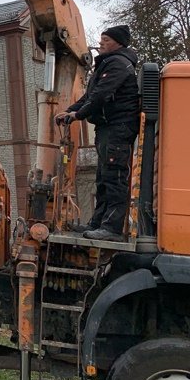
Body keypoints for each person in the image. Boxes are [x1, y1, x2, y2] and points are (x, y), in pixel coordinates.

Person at [55, 24, 140, 242]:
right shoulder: (107, 64)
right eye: (101, 38)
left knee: (114, 178)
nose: (101, 43)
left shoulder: (118, 64)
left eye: (106, 39)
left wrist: (78, 115)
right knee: (103, 178)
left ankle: (111, 229)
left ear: (119, 43)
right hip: (108, 128)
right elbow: (90, 96)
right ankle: (97, 223)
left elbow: (101, 95)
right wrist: (71, 111)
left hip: (118, 128)